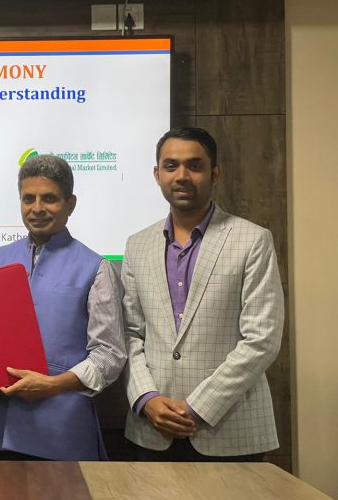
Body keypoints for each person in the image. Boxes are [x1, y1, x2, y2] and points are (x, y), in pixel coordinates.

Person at [122, 126, 284, 461]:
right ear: (157, 174)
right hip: (152, 429)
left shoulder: (252, 240)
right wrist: (147, 398)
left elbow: (261, 340)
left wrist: (198, 407)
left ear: (215, 174)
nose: (182, 175)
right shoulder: (137, 245)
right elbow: (129, 334)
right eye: (171, 166)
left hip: (228, 430)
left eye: (194, 166)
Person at [0, 154, 126, 460]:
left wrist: (54, 385)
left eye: (50, 199)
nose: (38, 208)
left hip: (63, 429)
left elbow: (110, 355)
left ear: (71, 204)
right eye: (28, 198)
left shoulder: (96, 268)